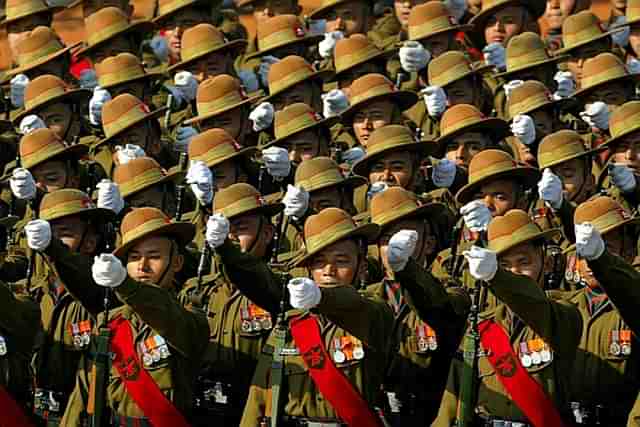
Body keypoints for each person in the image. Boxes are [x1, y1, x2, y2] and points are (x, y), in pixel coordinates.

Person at [205, 206, 394, 426]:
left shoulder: (374, 312)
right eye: (319, 262)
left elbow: (352, 303)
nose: (328, 270)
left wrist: (320, 296)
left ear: (361, 267)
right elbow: (259, 398)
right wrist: (225, 249)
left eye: (341, 261)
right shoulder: (290, 325)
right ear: (308, 270)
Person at [34, 207, 209, 425]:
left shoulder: (190, 316)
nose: (142, 266)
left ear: (177, 263)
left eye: (154, 256)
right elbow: (84, 391)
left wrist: (125, 285)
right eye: (134, 257)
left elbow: (165, 313)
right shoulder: (110, 322)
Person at [433, 209, 579, 426]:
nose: (514, 272)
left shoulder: (563, 314)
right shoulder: (481, 326)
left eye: (524, 262)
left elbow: (534, 304)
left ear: (546, 264)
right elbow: (453, 402)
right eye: (504, 265)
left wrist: (497, 275)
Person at [180, 183, 282, 425]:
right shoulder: (197, 290)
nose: (231, 235)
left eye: (240, 227)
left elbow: (255, 278)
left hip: (251, 412)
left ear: (267, 233)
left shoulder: (280, 286)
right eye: (224, 228)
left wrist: (225, 249)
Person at [367, 186, 466, 425]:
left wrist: (407, 271)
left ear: (429, 244)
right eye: (386, 240)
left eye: (406, 238)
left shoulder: (449, 291)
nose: (394, 248)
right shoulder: (367, 298)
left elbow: (436, 306)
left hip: (428, 415)